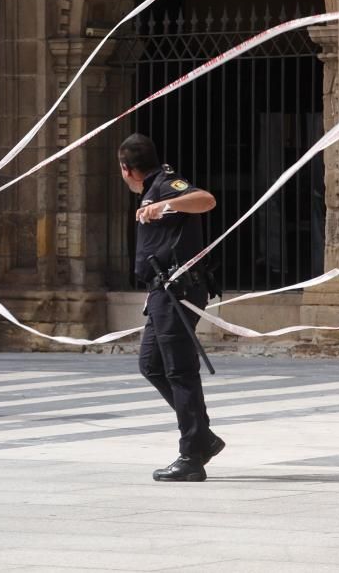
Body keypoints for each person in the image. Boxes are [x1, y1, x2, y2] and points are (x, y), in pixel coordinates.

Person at [118, 133, 224, 482]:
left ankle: (192, 455)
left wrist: (168, 204)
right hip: (159, 293)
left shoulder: (165, 184)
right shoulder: (152, 187)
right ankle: (203, 437)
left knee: (179, 369)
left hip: (178, 290)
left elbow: (206, 200)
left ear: (127, 169)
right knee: (151, 364)